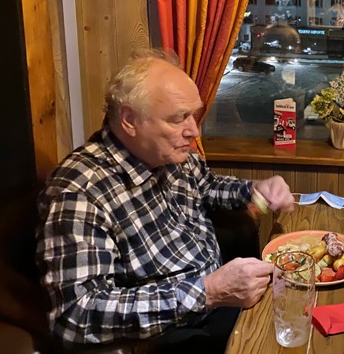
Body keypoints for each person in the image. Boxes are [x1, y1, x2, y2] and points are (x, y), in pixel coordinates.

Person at [36, 48, 295, 352]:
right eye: (178, 118)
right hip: (170, 335)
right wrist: (208, 292)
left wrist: (255, 189)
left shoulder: (168, 154)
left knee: (303, 308)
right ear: (129, 119)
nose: (193, 130)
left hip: (220, 300)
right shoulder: (79, 192)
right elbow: (75, 316)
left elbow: (207, 185)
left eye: (193, 115)